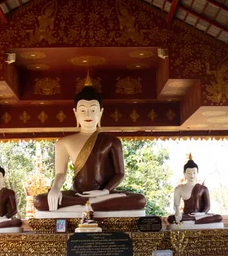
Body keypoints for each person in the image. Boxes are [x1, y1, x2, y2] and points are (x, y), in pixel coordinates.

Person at [33, 83, 146, 213]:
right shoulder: (64, 142)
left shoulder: (112, 141)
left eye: (93, 110)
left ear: (101, 112)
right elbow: (61, 173)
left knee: (139, 200)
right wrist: (55, 189)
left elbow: (120, 174)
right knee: (40, 201)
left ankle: (87, 204)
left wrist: (104, 192)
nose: (88, 115)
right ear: (75, 113)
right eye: (82, 110)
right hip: (76, 193)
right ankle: (91, 203)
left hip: (104, 194)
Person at [167, 156, 222, 225]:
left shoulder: (203, 188)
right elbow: (176, 206)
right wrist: (178, 213)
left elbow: (208, 205)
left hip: (201, 215)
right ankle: (195, 221)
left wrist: (202, 214)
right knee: (170, 218)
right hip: (187, 215)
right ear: (184, 173)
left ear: (197, 173)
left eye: (194, 173)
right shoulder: (179, 189)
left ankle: (193, 220)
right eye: (189, 173)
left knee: (219, 217)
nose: (192, 175)